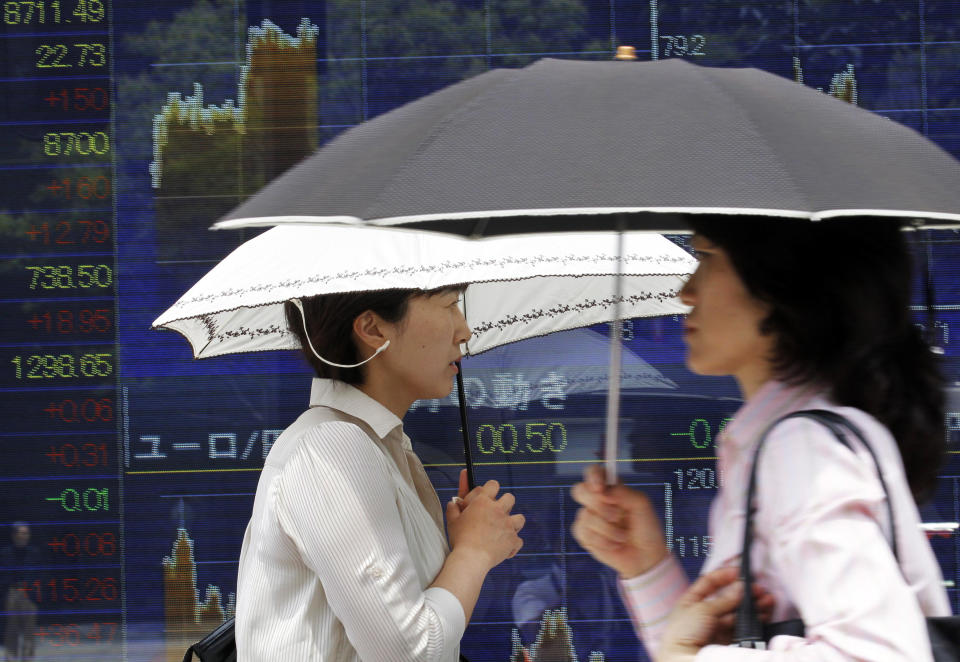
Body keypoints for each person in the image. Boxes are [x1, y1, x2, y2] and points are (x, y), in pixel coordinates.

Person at [571, 216, 951, 661]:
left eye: (707, 258)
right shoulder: (788, 441)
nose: (686, 292)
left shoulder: (801, 450)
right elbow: (713, 646)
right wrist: (646, 566)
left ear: (779, 281)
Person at [235, 286, 525, 661]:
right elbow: (409, 652)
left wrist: (470, 542)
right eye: (449, 304)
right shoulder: (333, 446)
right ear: (372, 329)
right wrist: (473, 552)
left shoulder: (386, 449)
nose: (464, 330)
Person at [1, 523, 41, 662]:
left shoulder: (34, 553)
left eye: (26, 533)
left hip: (29, 594)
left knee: (29, 632)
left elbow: (40, 574)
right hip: (12, 592)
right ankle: (10, 659)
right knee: (11, 630)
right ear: (14, 535)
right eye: (21, 533)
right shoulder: (4, 553)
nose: (24, 536)